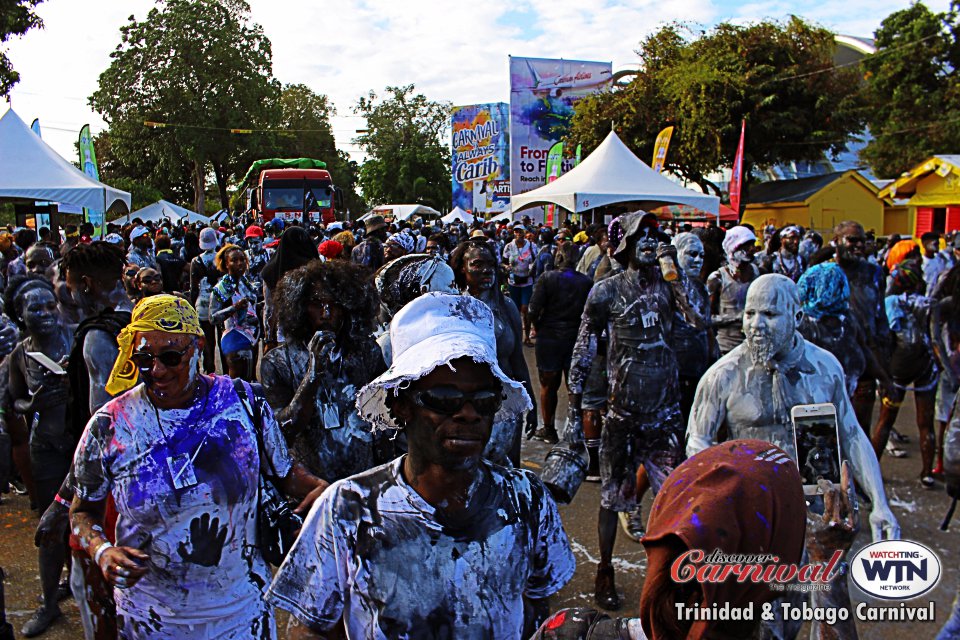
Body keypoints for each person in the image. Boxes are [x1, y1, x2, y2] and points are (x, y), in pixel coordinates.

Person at [267, 292, 574, 638]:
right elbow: (309, 628)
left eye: (484, 399)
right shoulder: (348, 509)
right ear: (401, 405)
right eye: (444, 399)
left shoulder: (526, 501)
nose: (468, 413)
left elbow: (537, 601)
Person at [69, 295, 327, 639]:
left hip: (240, 613)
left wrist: (324, 491)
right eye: (144, 358)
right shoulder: (111, 425)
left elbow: (287, 474)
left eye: (172, 357)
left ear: (198, 347)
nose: (157, 370)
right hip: (153, 620)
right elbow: (81, 511)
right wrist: (103, 551)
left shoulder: (244, 403)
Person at [687, 273, 900, 540]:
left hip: (818, 511)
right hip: (751, 512)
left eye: (769, 314)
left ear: (797, 318)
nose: (756, 325)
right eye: (750, 313)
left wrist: (879, 502)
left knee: (819, 580)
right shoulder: (723, 375)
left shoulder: (824, 368)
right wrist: (721, 495)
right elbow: (698, 440)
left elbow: (851, 433)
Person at [569, 211, 704, 610]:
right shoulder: (607, 291)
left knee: (677, 500)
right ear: (625, 243)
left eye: (654, 234)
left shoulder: (669, 286)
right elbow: (584, 344)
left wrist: (675, 270)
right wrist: (574, 407)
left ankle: (674, 575)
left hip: (665, 416)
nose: (649, 241)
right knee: (613, 499)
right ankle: (605, 569)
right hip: (621, 415)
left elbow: (699, 318)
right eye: (640, 235)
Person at [260, 260, 386, 482]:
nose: (326, 313)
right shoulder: (278, 362)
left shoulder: (366, 351)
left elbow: (385, 419)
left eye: (334, 304)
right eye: (316, 304)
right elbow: (281, 432)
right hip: (313, 487)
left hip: (365, 481)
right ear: (299, 307)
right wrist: (312, 375)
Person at [5, 276, 74, 637]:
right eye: (36, 308)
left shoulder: (78, 340)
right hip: (45, 448)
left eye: (51, 306)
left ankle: (80, 580)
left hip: (80, 445)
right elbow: (12, 400)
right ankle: (49, 602)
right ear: (21, 315)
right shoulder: (20, 354)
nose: (46, 314)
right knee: (50, 526)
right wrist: (31, 403)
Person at [449, 238, 537, 466]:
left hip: (505, 406)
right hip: (465, 411)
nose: (486, 270)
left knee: (506, 474)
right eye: (477, 264)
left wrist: (531, 403)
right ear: (462, 268)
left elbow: (517, 359)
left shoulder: (506, 307)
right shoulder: (452, 307)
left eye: (490, 264)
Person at [870, 259, 939, 487]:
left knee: (885, 420)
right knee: (925, 422)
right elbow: (935, 337)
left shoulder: (890, 303)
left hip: (898, 370)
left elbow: (885, 338)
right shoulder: (929, 304)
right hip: (925, 367)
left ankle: (872, 470)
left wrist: (883, 373)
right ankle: (927, 473)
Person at [527, 242, 593, 443]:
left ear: (559, 257)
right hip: (575, 337)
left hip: (550, 338)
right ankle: (575, 430)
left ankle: (549, 428)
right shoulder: (586, 282)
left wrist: (536, 326)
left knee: (548, 385)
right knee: (575, 386)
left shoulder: (547, 278)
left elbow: (532, 309)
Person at [797, 262, 891, 399]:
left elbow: (864, 350)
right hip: (810, 408)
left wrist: (884, 379)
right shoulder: (801, 326)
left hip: (844, 403)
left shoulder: (848, 319)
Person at [834, 221, 892, 439]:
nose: (859, 245)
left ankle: (861, 472)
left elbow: (881, 320)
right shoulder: (826, 273)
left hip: (865, 360)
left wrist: (885, 367)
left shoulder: (874, 274)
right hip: (832, 358)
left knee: (859, 429)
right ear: (837, 242)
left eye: (862, 240)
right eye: (852, 240)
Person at [670, 232, 717, 423]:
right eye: (692, 254)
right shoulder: (665, 288)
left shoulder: (699, 286)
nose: (698, 261)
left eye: (701, 256)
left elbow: (706, 324)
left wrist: (714, 354)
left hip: (699, 367)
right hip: (675, 370)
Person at [261, 227, 319, 349]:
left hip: (285, 334)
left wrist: (269, 339)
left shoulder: (271, 271)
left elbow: (270, 309)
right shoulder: (316, 268)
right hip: (313, 334)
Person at [707, 225, 760, 355]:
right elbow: (707, 318)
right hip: (726, 346)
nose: (752, 249)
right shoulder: (718, 277)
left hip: (752, 345)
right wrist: (736, 318)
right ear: (733, 247)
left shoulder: (756, 272)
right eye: (747, 245)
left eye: (753, 244)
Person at [209, 244, 260, 380]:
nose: (240, 264)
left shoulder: (246, 283)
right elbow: (213, 318)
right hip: (233, 337)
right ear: (226, 264)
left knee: (250, 379)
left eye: (242, 259)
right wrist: (234, 308)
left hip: (252, 335)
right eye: (234, 260)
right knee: (237, 382)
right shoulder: (221, 288)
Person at [188, 227, 221, 373]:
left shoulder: (196, 261)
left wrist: (190, 305)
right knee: (223, 338)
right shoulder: (222, 258)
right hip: (220, 303)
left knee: (207, 340)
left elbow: (193, 288)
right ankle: (226, 372)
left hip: (202, 304)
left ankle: (210, 369)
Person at [502, 222, 538, 345]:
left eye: (520, 231)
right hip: (513, 282)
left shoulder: (532, 246)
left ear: (524, 233)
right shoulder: (509, 247)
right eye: (516, 231)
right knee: (514, 310)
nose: (518, 234)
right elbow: (503, 262)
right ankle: (515, 337)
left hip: (527, 282)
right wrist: (507, 267)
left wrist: (531, 268)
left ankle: (527, 337)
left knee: (525, 309)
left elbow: (536, 261)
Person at [922, 231, 951, 296]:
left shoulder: (941, 259)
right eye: (935, 244)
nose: (938, 246)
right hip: (924, 298)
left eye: (938, 244)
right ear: (925, 244)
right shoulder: (921, 262)